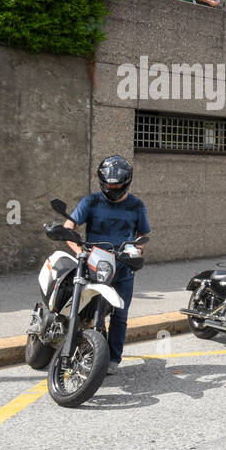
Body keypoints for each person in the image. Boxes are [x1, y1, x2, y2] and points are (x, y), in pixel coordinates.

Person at [63, 156, 150, 375]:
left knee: (120, 314)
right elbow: (69, 225)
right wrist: (78, 250)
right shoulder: (90, 202)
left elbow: (144, 234)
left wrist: (138, 251)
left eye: (116, 185)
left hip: (122, 267)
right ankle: (82, 347)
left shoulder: (137, 205)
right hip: (93, 264)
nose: (112, 188)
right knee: (88, 310)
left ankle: (113, 359)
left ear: (126, 182)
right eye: (108, 184)